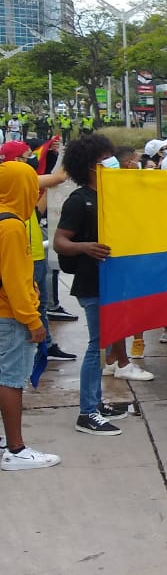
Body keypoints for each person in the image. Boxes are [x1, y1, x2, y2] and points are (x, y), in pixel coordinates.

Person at [53, 135, 134, 435]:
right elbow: (61, 242)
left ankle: (96, 403)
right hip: (92, 283)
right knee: (97, 346)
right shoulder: (79, 200)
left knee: (106, 341)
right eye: (106, 158)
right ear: (90, 166)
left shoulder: (114, 195)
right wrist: (86, 247)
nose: (113, 162)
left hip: (114, 281)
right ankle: (87, 412)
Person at [0, 160, 59, 469]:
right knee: (10, 380)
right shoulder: (10, 226)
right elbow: (14, 282)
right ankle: (16, 450)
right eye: (31, 187)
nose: (36, 192)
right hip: (10, 317)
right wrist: (34, 321)